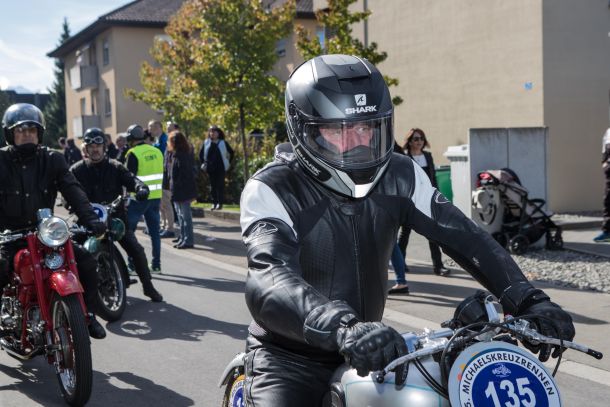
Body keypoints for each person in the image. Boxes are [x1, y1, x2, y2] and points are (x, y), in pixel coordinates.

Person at [239, 54, 575, 406]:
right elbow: (270, 277)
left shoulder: (401, 174)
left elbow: (465, 236)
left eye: (366, 128)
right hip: (291, 359)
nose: (357, 143)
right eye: (336, 131)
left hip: (373, 348)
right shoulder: (272, 187)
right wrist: (343, 327)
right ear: (303, 129)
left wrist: (527, 298)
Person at [0, 103, 107, 339]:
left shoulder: (53, 159)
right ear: (10, 134)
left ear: (39, 133)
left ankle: (88, 315)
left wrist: (91, 219)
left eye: (32, 130)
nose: (27, 135)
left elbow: (73, 190)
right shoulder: (1, 160)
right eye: (21, 130)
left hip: (45, 233)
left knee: (86, 262)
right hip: (9, 235)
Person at [70, 128, 163, 302]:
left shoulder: (115, 166)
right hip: (87, 220)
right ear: (86, 149)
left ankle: (148, 286)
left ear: (104, 147)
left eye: (98, 146)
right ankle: (76, 293)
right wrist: (71, 204)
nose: (95, 149)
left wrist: (140, 188)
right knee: (71, 250)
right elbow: (68, 190)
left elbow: (131, 179)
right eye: (91, 146)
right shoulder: (76, 170)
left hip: (115, 218)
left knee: (136, 249)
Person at [397, 128, 450, 276]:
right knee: (405, 233)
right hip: (410, 200)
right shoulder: (405, 158)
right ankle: (400, 264)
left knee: (433, 232)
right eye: (415, 139)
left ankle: (438, 266)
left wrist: (438, 197)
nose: (419, 141)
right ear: (409, 142)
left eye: (421, 138)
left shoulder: (428, 156)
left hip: (427, 200)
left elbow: (433, 178)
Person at [125, 124, 164, 273]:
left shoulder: (133, 153)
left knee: (129, 233)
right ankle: (156, 265)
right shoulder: (157, 151)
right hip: (155, 197)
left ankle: (132, 265)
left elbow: (129, 179)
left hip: (138, 199)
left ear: (131, 139)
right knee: (155, 233)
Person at [168, 131, 197, 249]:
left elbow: (184, 175)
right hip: (180, 191)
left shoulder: (182, 155)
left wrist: (176, 188)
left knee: (185, 217)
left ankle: (188, 240)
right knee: (181, 216)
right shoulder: (178, 154)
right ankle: (183, 237)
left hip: (183, 191)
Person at [199, 125, 231, 210]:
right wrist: (204, 163)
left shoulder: (223, 142)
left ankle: (220, 203)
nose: (212, 133)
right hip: (210, 168)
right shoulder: (206, 142)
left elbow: (231, 152)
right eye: (211, 131)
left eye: (214, 131)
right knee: (212, 186)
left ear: (218, 133)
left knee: (220, 185)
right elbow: (201, 154)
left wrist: (228, 162)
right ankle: (214, 203)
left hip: (220, 168)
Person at [594, 128, 610, 242]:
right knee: (608, 201)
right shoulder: (608, 132)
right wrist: (604, 162)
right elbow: (605, 148)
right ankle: (607, 231)